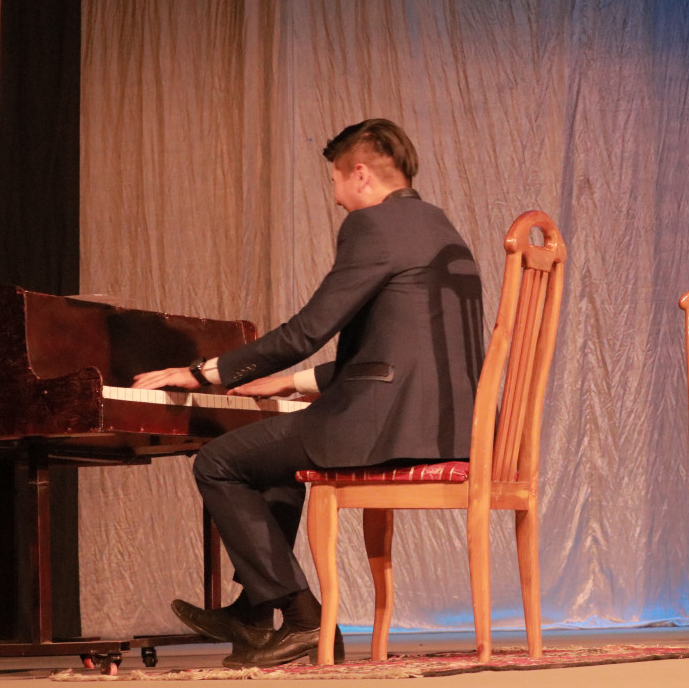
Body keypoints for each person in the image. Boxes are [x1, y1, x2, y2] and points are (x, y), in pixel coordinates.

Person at [133, 118, 483, 668]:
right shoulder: (439, 227)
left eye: (335, 182)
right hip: (446, 426)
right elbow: (400, 349)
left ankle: (302, 618)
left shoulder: (374, 226)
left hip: (386, 427)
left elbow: (307, 330)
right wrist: (295, 382)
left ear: (359, 174)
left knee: (218, 463)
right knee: (276, 460)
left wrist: (205, 372)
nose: (336, 198)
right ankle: (253, 611)